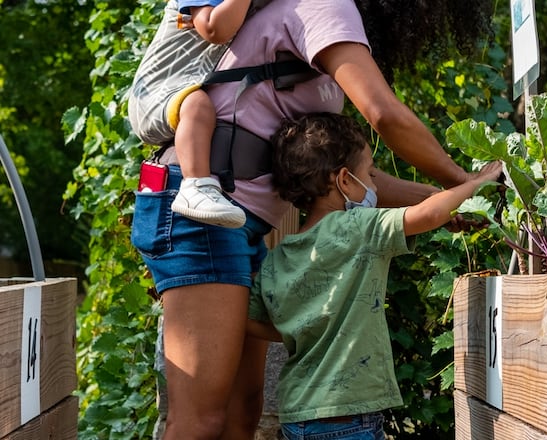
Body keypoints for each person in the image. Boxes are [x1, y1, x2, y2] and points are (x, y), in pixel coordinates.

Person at [130, 0, 496, 438]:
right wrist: (466, 178)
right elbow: (383, 114)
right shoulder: (322, 4)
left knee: (240, 416)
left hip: (237, 221)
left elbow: (350, 175)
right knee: (201, 421)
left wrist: (447, 201)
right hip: (199, 211)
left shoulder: (311, 33)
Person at [247, 112, 503, 439]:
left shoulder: (280, 255)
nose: (375, 186)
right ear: (343, 181)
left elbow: (248, 319)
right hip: (349, 416)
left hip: (298, 415)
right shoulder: (359, 227)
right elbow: (431, 213)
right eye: (370, 174)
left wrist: (303, 325)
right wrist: (477, 182)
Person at [129, 0, 264, 229]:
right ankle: (196, 187)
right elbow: (214, 28)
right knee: (198, 106)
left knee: (198, 105)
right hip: (160, 87)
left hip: (188, 79)